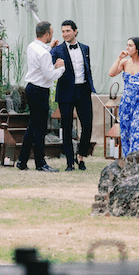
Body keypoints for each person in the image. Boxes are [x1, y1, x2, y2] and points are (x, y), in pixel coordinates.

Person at [16, 21, 65, 172]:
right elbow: (49, 75)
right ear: (46, 35)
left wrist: (50, 48)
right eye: (51, 33)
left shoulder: (33, 46)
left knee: (33, 126)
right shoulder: (43, 53)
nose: (52, 35)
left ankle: (22, 161)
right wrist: (61, 68)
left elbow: (41, 58)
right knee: (40, 128)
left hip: (31, 88)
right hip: (40, 91)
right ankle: (40, 163)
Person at [51, 19, 95, 171]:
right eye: (63, 31)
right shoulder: (57, 50)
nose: (65, 34)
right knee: (67, 127)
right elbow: (48, 66)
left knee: (87, 126)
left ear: (75, 31)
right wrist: (51, 52)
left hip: (83, 90)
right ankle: (69, 162)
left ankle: (80, 156)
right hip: (65, 92)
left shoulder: (85, 48)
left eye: (68, 31)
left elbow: (87, 69)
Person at [109, 36, 139, 156]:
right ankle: (128, 159)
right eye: (127, 45)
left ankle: (138, 157)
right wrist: (119, 57)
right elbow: (112, 73)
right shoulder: (125, 62)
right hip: (126, 101)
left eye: (130, 45)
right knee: (126, 132)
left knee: (138, 129)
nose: (127, 48)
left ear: (138, 48)